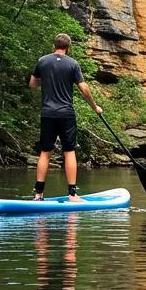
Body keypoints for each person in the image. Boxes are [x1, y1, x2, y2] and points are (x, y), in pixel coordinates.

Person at [29, 33, 102, 200]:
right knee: (69, 152)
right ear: (68, 47)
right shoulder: (73, 64)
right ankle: (72, 194)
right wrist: (95, 107)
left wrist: (46, 79)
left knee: (45, 152)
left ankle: (38, 193)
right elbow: (84, 89)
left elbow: (32, 84)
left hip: (47, 113)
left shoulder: (42, 61)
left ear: (53, 45)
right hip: (66, 114)